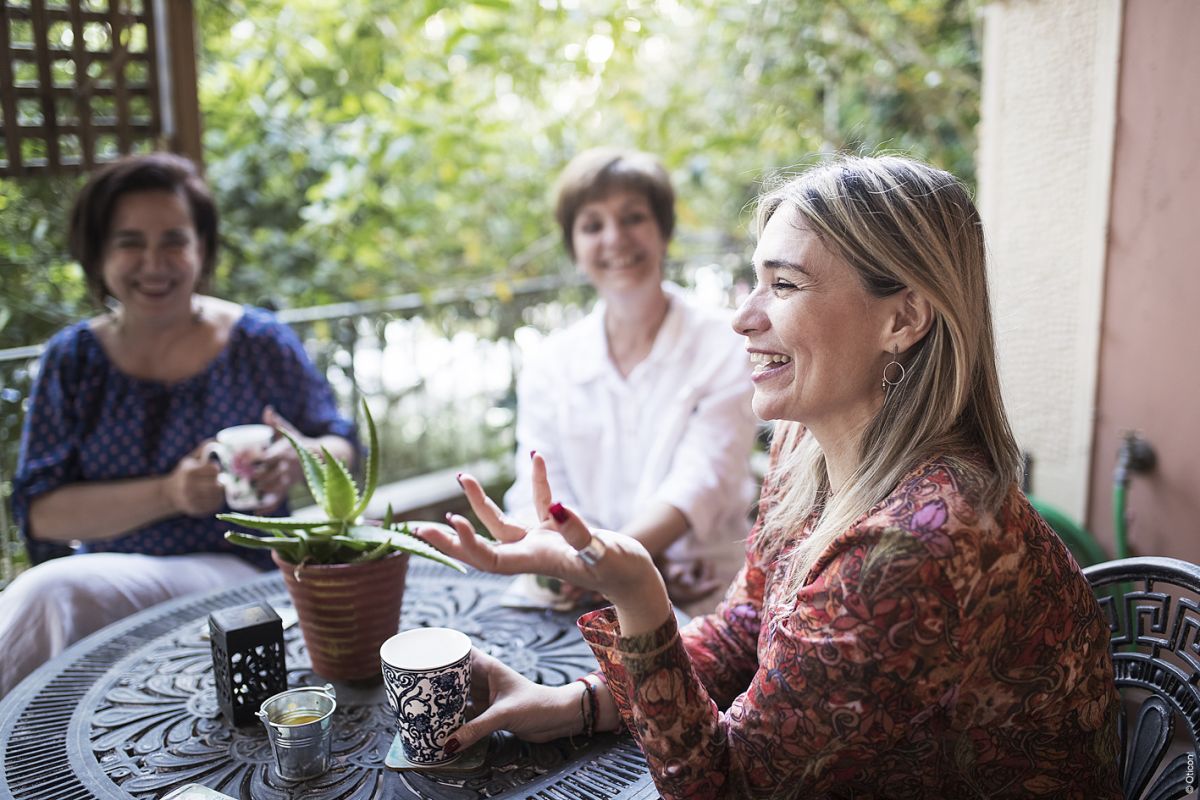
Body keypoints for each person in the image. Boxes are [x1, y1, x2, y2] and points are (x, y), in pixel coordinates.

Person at [420, 156, 1122, 798]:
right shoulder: (804, 447)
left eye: (783, 285)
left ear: (903, 318)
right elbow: (745, 627)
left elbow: (729, 788)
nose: (742, 317)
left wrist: (638, 594)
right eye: (754, 280)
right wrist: (579, 701)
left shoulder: (913, 544)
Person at [0, 152, 356, 697]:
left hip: (241, 577)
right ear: (96, 253)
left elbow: (341, 442)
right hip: (109, 583)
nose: (154, 262)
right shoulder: (72, 359)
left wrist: (302, 456)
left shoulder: (259, 341)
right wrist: (170, 493)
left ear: (202, 247)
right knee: (51, 590)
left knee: (50, 592)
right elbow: (42, 511)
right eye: (129, 242)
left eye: (174, 240)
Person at [502, 147, 757, 614]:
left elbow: (701, 481)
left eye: (633, 217)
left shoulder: (726, 342)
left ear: (663, 231)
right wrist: (598, 570)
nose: (615, 239)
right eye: (592, 225)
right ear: (574, 247)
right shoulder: (549, 363)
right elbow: (541, 486)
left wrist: (609, 565)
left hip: (702, 600)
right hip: (579, 596)